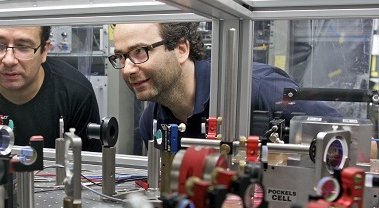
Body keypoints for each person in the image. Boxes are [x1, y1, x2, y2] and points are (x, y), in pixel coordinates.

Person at [110, 22, 341, 144]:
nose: (128, 68)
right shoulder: (151, 118)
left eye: (140, 51)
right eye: (120, 56)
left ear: (181, 49)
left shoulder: (259, 89)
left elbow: (350, 140)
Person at [0, 25, 102, 151]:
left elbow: (91, 174)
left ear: (44, 50)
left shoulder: (77, 94)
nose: (9, 60)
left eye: (23, 47)